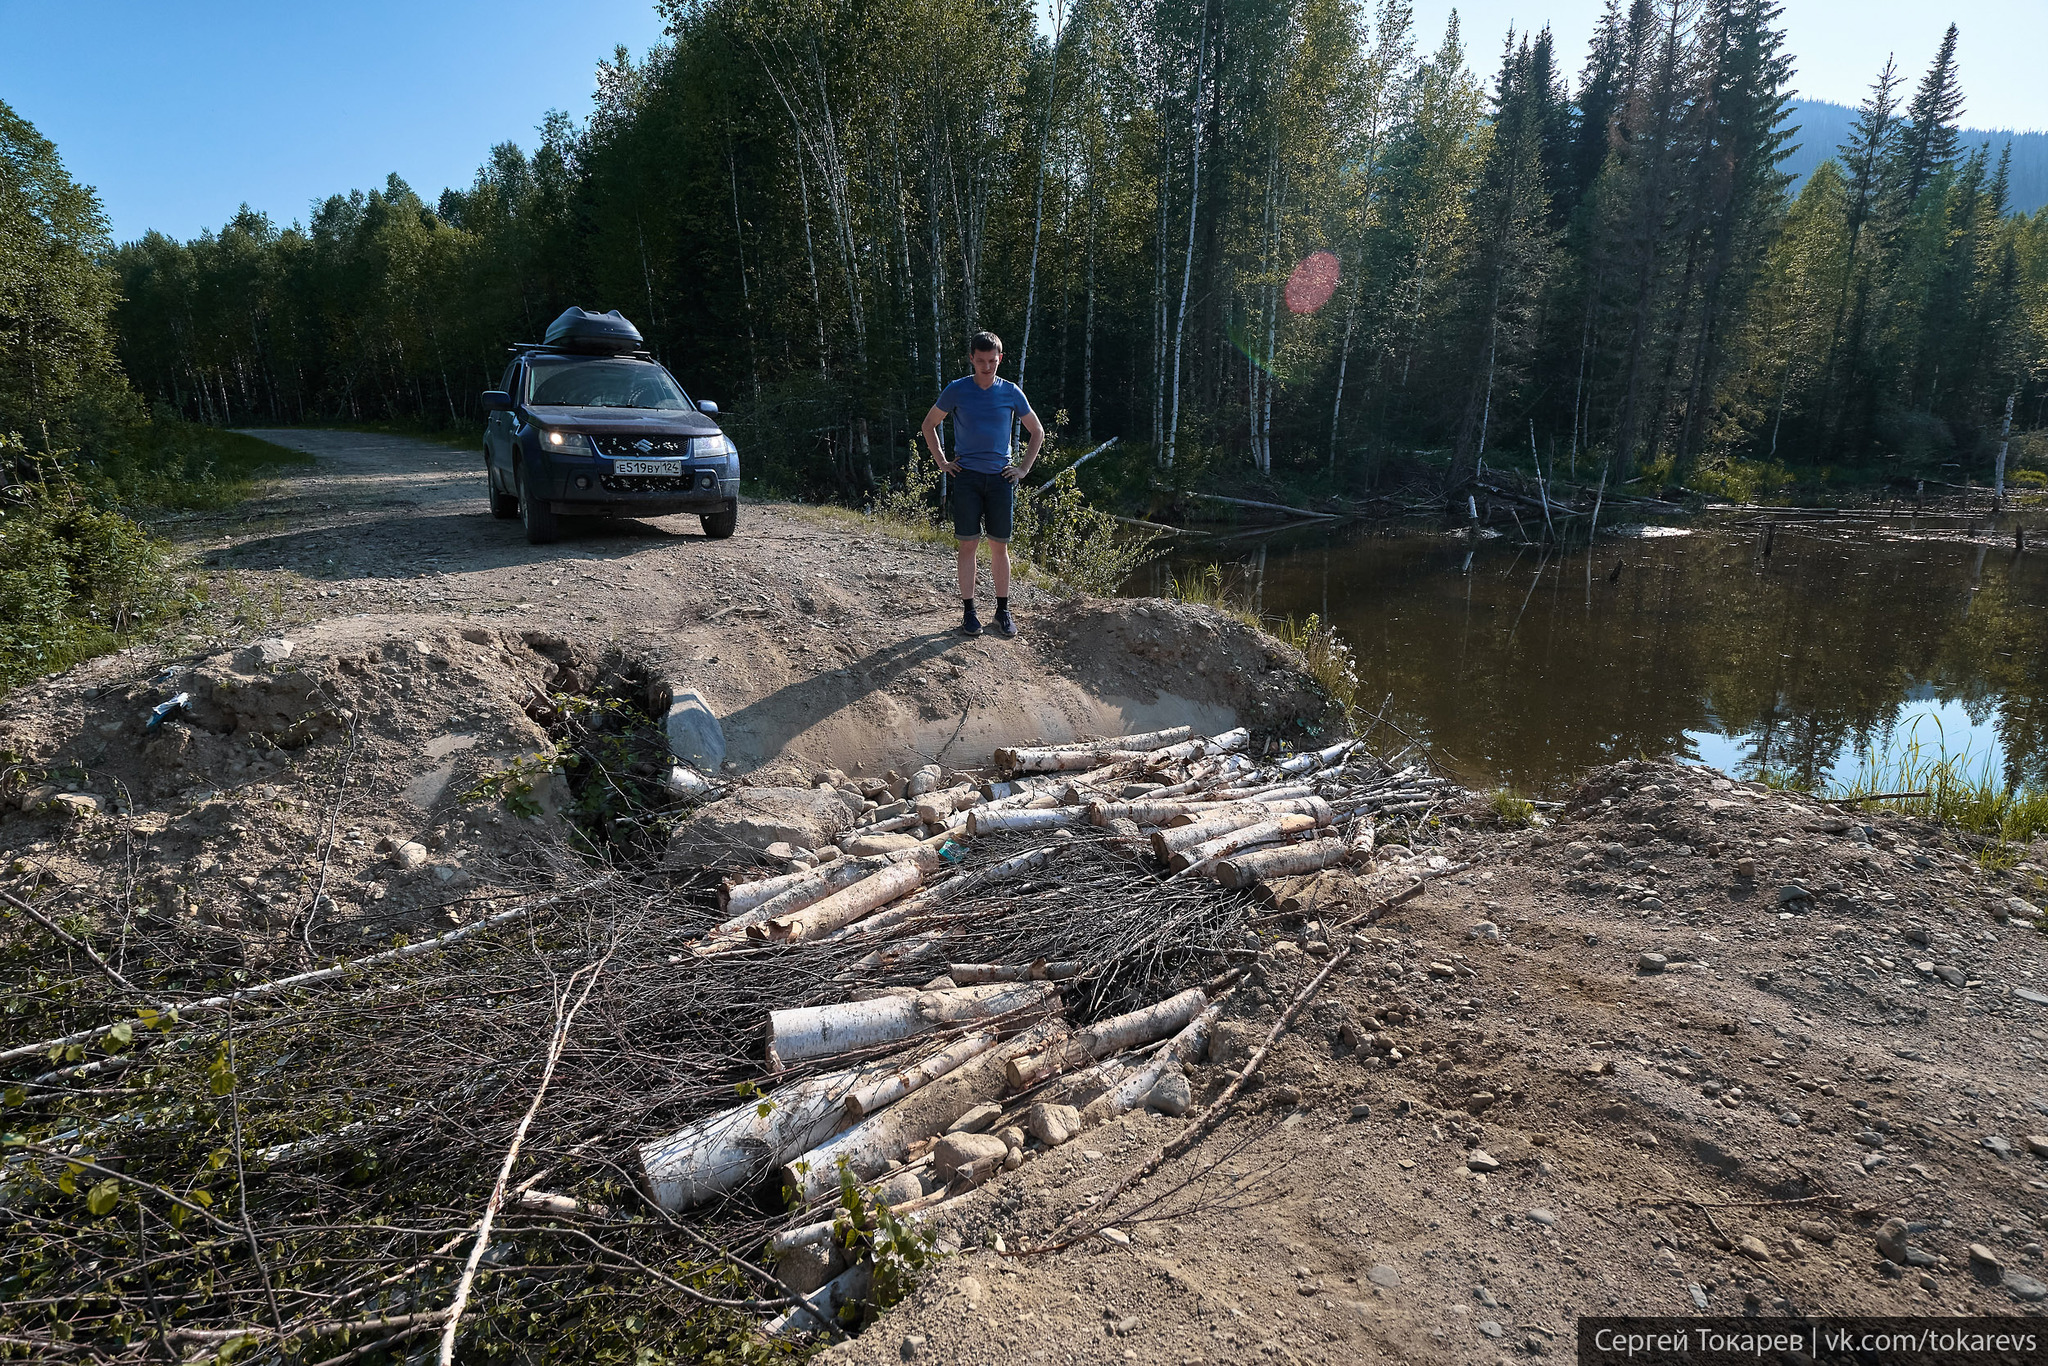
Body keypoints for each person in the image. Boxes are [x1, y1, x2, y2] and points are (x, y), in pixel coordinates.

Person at [920, 331, 1043, 637]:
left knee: (999, 548)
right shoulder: (957, 390)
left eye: (992, 361)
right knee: (968, 546)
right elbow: (929, 424)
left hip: (1001, 478)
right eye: (981, 361)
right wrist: (942, 461)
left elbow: (1037, 431)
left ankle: (1002, 611)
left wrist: (1023, 469)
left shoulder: (1011, 392)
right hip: (966, 478)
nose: (987, 367)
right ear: (971, 359)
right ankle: (969, 613)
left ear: (1000, 359)